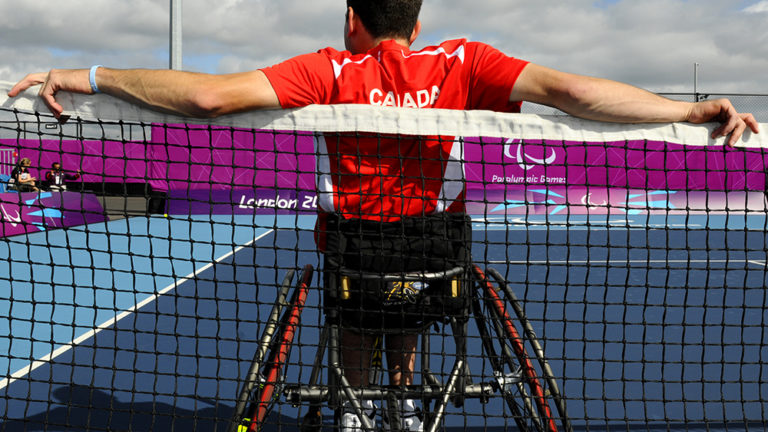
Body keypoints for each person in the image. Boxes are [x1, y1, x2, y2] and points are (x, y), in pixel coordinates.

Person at [7, 1, 760, 430]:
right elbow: (573, 92)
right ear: (417, 15)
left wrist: (88, 75)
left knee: (359, 289)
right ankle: (402, 405)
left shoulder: (329, 70)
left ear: (352, 18)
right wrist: (684, 111)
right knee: (416, 284)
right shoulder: (464, 63)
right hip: (441, 269)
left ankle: (358, 410)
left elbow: (208, 99)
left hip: (353, 269)